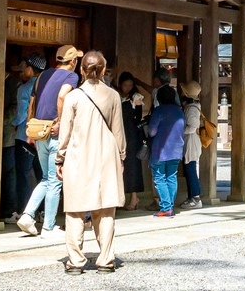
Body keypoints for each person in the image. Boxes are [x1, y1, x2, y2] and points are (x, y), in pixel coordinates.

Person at [55, 50, 126, 272]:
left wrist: (60, 158)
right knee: (105, 209)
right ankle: (105, 259)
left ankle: (76, 260)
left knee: (75, 209)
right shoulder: (113, 96)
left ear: (81, 70)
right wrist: (121, 156)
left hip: (78, 155)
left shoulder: (73, 97)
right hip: (107, 155)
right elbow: (118, 131)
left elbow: (65, 132)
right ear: (103, 70)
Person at [17, 44, 80, 237]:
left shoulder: (43, 75)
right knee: (54, 181)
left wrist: (30, 128)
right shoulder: (72, 76)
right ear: (74, 62)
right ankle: (48, 226)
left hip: (39, 131)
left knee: (45, 178)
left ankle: (27, 216)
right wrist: (61, 122)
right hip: (54, 133)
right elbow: (62, 96)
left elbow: (32, 102)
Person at [3, 54, 45, 219]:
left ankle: (24, 211)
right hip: (43, 135)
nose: (20, 71)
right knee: (42, 175)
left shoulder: (25, 88)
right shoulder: (47, 87)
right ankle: (43, 212)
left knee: (23, 175)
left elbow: (21, 115)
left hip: (24, 137)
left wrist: (11, 123)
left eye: (23, 67)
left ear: (30, 68)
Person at [146, 83, 190, 216]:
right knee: (172, 177)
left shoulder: (159, 111)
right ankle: (169, 206)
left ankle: (166, 207)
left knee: (159, 177)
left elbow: (152, 131)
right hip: (176, 149)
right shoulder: (180, 111)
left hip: (160, 149)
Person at [118, 72, 149, 212]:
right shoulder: (116, 95)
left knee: (132, 166)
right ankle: (122, 197)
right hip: (120, 133)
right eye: (125, 85)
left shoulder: (136, 97)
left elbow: (137, 118)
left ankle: (134, 197)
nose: (128, 88)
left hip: (132, 135)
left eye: (130, 85)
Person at [179, 81, 206, 208]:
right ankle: (191, 197)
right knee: (189, 169)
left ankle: (195, 198)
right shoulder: (194, 106)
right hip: (191, 140)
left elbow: (192, 126)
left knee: (190, 169)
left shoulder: (191, 108)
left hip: (191, 140)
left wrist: (179, 131)